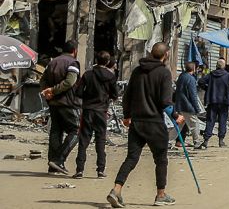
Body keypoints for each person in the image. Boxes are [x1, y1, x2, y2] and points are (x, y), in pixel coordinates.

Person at [108, 42, 181, 208]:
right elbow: (165, 102)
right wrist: (176, 116)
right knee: (161, 160)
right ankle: (160, 195)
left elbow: (127, 96)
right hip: (154, 123)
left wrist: (127, 116)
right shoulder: (164, 73)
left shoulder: (137, 71)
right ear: (166, 55)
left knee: (132, 158)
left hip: (137, 123)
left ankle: (116, 190)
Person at [40, 39, 81, 175]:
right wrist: (54, 90)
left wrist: (47, 91)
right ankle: (59, 160)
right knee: (76, 131)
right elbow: (70, 82)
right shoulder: (72, 63)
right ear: (74, 51)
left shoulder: (52, 62)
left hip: (53, 103)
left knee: (56, 131)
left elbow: (43, 79)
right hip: (67, 103)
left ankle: (53, 165)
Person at [74, 51, 117, 179]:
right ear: (108, 62)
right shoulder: (110, 76)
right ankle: (100, 170)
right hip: (101, 111)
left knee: (83, 140)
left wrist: (88, 96)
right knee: (100, 140)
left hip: (87, 110)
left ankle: (80, 170)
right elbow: (115, 94)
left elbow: (79, 92)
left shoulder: (88, 75)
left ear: (96, 60)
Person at [197, 57, 229, 148]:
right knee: (222, 121)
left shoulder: (211, 75)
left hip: (212, 101)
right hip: (224, 102)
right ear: (224, 67)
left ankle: (206, 141)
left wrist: (207, 89)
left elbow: (200, 81)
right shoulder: (227, 75)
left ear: (216, 66)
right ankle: (221, 141)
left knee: (210, 120)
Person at [172, 61, 201, 150]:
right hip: (188, 107)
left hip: (179, 105)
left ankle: (168, 141)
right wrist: (197, 108)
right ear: (194, 69)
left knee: (178, 125)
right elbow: (193, 95)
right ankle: (197, 142)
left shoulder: (181, 77)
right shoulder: (191, 79)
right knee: (194, 124)